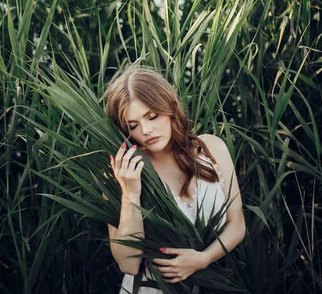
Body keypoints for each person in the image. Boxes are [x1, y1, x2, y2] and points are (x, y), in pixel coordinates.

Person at [103, 66, 246, 293]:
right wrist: (130, 193)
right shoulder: (122, 173)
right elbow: (128, 264)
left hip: (210, 284)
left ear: (169, 106)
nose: (146, 130)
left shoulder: (212, 149)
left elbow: (237, 224)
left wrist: (203, 259)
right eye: (133, 125)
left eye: (152, 116)